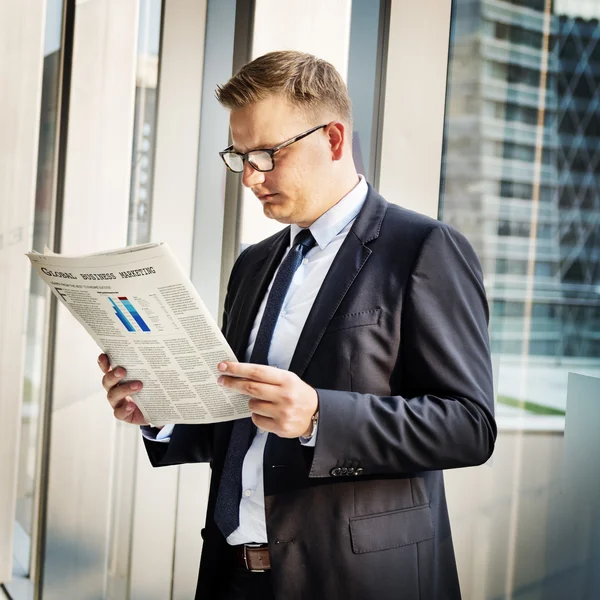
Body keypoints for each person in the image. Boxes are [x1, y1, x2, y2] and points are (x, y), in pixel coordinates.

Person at [98, 50, 496, 600]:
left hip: (355, 581)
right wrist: (161, 412)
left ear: (333, 139)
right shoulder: (254, 263)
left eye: (265, 154)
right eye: (240, 158)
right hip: (232, 573)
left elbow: (469, 425)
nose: (251, 178)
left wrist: (318, 417)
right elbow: (240, 419)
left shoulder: (424, 249)